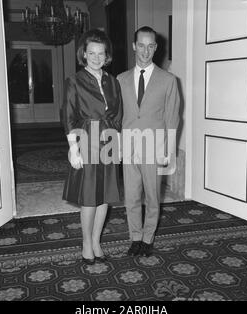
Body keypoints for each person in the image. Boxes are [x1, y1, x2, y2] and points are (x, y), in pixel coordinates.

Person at [117, 26, 180, 257]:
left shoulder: (168, 80)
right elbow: (117, 116)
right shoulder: (120, 79)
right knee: (131, 196)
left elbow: (173, 117)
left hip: (154, 148)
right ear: (134, 46)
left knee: (152, 196)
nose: (146, 51)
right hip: (129, 147)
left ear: (156, 47)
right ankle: (135, 237)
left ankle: (148, 237)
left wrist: (168, 149)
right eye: (141, 45)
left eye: (151, 46)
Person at [62, 29, 123, 265]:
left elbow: (118, 116)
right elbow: (68, 117)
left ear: (106, 55)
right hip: (86, 138)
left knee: (105, 196)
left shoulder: (113, 81)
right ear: (84, 54)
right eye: (91, 53)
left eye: (101, 53)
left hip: (108, 140)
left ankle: (97, 240)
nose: (96, 58)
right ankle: (86, 242)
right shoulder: (74, 81)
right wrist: (73, 148)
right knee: (89, 197)